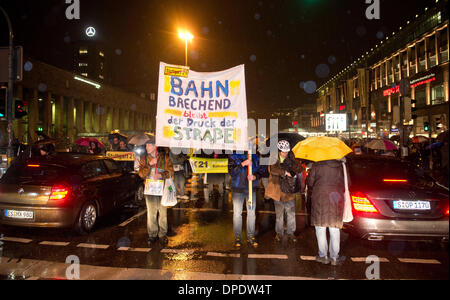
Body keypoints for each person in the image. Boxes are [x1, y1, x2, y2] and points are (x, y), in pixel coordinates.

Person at [306, 159, 347, 266]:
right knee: (334, 229)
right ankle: (334, 257)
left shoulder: (316, 165)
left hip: (320, 199)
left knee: (320, 228)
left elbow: (310, 182)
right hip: (335, 199)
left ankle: (323, 256)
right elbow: (347, 183)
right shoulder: (341, 166)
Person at [265, 140, 302, 244]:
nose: (284, 154)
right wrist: (284, 172)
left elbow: (299, 170)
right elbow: (272, 170)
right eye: (283, 152)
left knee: (290, 214)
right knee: (279, 215)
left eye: (286, 152)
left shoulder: (291, 158)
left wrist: (297, 164)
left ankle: (291, 233)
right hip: (277, 191)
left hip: (289, 192)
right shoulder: (273, 158)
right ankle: (279, 233)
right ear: (279, 150)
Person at [138, 137, 174, 246]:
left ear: (155, 146)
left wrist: (161, 175)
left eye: (148, 145)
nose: (146, 147)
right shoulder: (144, 159)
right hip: (150, 190)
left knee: (163, 213)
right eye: (146, 145)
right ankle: (152, 235)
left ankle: (162, 234)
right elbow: (141, 174)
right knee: (151, 213)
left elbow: (171, 172)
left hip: (162, 189)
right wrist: (150, 165)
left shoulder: (165, 158)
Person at [229, 151, 267, 248]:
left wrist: (255, 176)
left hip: (251, 189)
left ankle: (251, 236)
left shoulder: (255, 155)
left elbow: (262, 171)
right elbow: (231, 172)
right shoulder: (233, 156)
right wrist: (243, 164)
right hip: (238, 189)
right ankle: (237, 237)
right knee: (237, 214)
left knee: (251, 213)